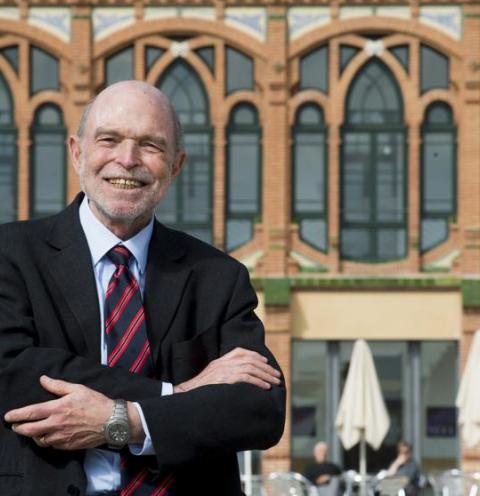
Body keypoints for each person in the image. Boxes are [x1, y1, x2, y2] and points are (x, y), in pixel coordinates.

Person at [0, 81, 286, 496]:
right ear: (77, 152)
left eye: (150, 145)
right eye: (109, 140)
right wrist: (177, 392)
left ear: (176, 165)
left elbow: (260, 408)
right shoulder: (9, 255)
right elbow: (13, 372)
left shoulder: (218, 277)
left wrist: (128, 421)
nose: (128, 159)